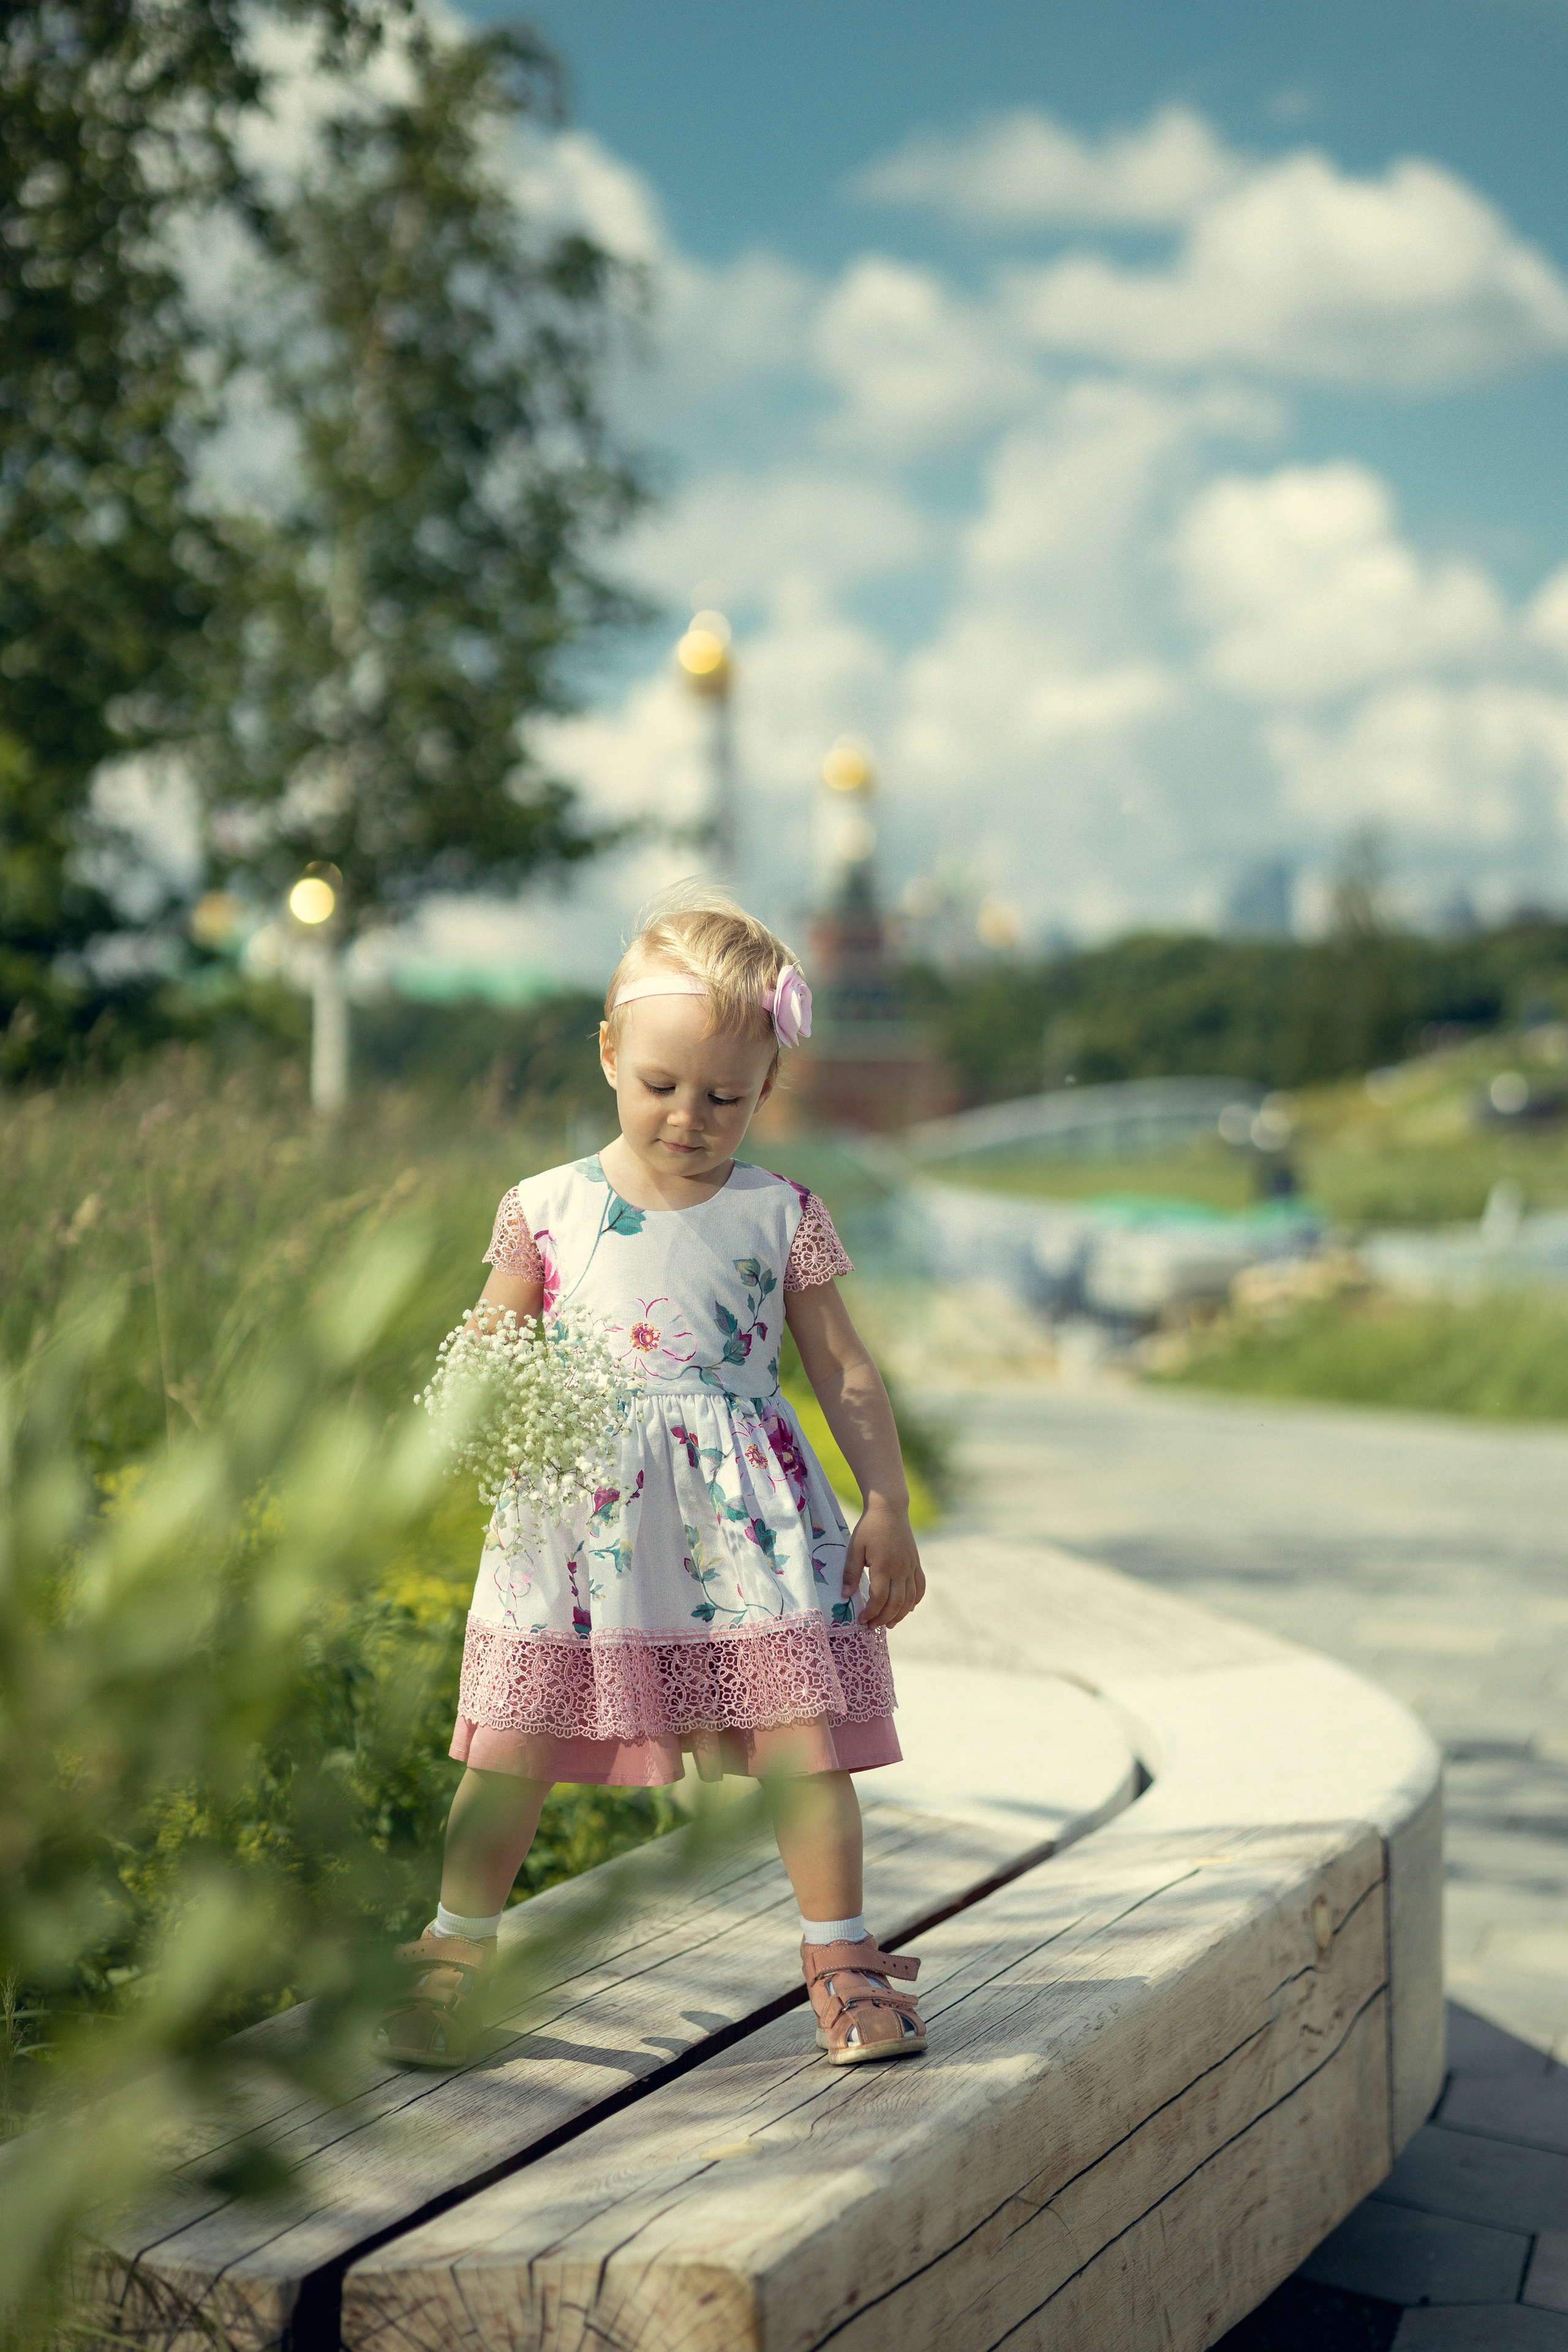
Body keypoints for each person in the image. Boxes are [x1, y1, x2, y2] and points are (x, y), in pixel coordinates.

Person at [374, 887, 928, 2070]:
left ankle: (841, 1959)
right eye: (663, 1085)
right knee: (509, 1744)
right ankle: (453, 1952)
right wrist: (471, 1407)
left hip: (750, 1520)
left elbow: (845, 1371)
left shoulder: (780, 1214)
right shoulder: (546, 1207)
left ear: (766, 1089)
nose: (691, 1117)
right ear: (612, 1055)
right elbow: (492, 1346)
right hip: (577, 1515)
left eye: (726, 1096)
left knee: (803, 1740)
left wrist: (886, 1502)